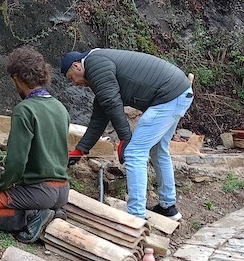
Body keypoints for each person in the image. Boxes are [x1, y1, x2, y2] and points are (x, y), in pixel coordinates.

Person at [60, 48, 193, 221]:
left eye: (72, 78)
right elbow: (100, 116)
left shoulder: (95, 64)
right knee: (159, 150)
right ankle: (168, 207)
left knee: (134, 152)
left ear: (77, 66)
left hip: (168, 97)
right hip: (177, 93)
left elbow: (112, 102)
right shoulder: (98, 69)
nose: (75, 83)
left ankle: (136, 217)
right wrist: (80, 150)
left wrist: (125, 137)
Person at [0, 47, 70, 244]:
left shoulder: (25, 109)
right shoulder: (60, 107)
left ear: (17, 79)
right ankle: (47, 211)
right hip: (62, 191)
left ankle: (31, 216)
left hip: (39, 192)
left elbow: (16, 163)